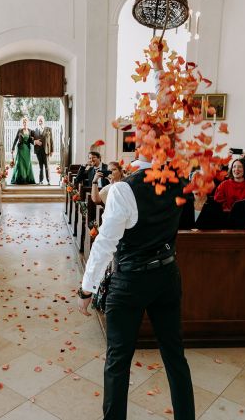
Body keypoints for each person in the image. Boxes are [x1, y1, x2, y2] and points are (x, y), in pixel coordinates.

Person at [77, 155, 195, 419]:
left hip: (130, 281)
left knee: (118, 361)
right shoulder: (180, 183)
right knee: (175, 357)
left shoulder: (123, 189)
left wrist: (87, 288)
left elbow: (106, 242)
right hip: (167, 276)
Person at [10, 117, 36, 185]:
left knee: (27, 163)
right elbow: (16, 139)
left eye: (26, 122)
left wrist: (36, 142)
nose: (25, 123)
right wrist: (12, 148)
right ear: (22, 123)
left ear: (28, 123)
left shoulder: (30, 131)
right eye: (23, 122)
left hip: (27, 149)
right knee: (20, 164)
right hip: (21, 149)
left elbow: (32, 141)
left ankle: (27, 179)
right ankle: (21, 179)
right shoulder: (19, 130)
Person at [33, 115, 54, 185]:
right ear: (37, 122)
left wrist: (52, 150)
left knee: (47, 166)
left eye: (41, 120)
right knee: (40, 167)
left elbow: (51, 140)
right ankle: (40, 180)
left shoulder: (48, 129)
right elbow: (31, 139)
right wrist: (35, 142)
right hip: (38, 151)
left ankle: (49, 181)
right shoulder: (35, 130)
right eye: (39, 120)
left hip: (46, 151)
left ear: (43, 121)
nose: (40, 121)